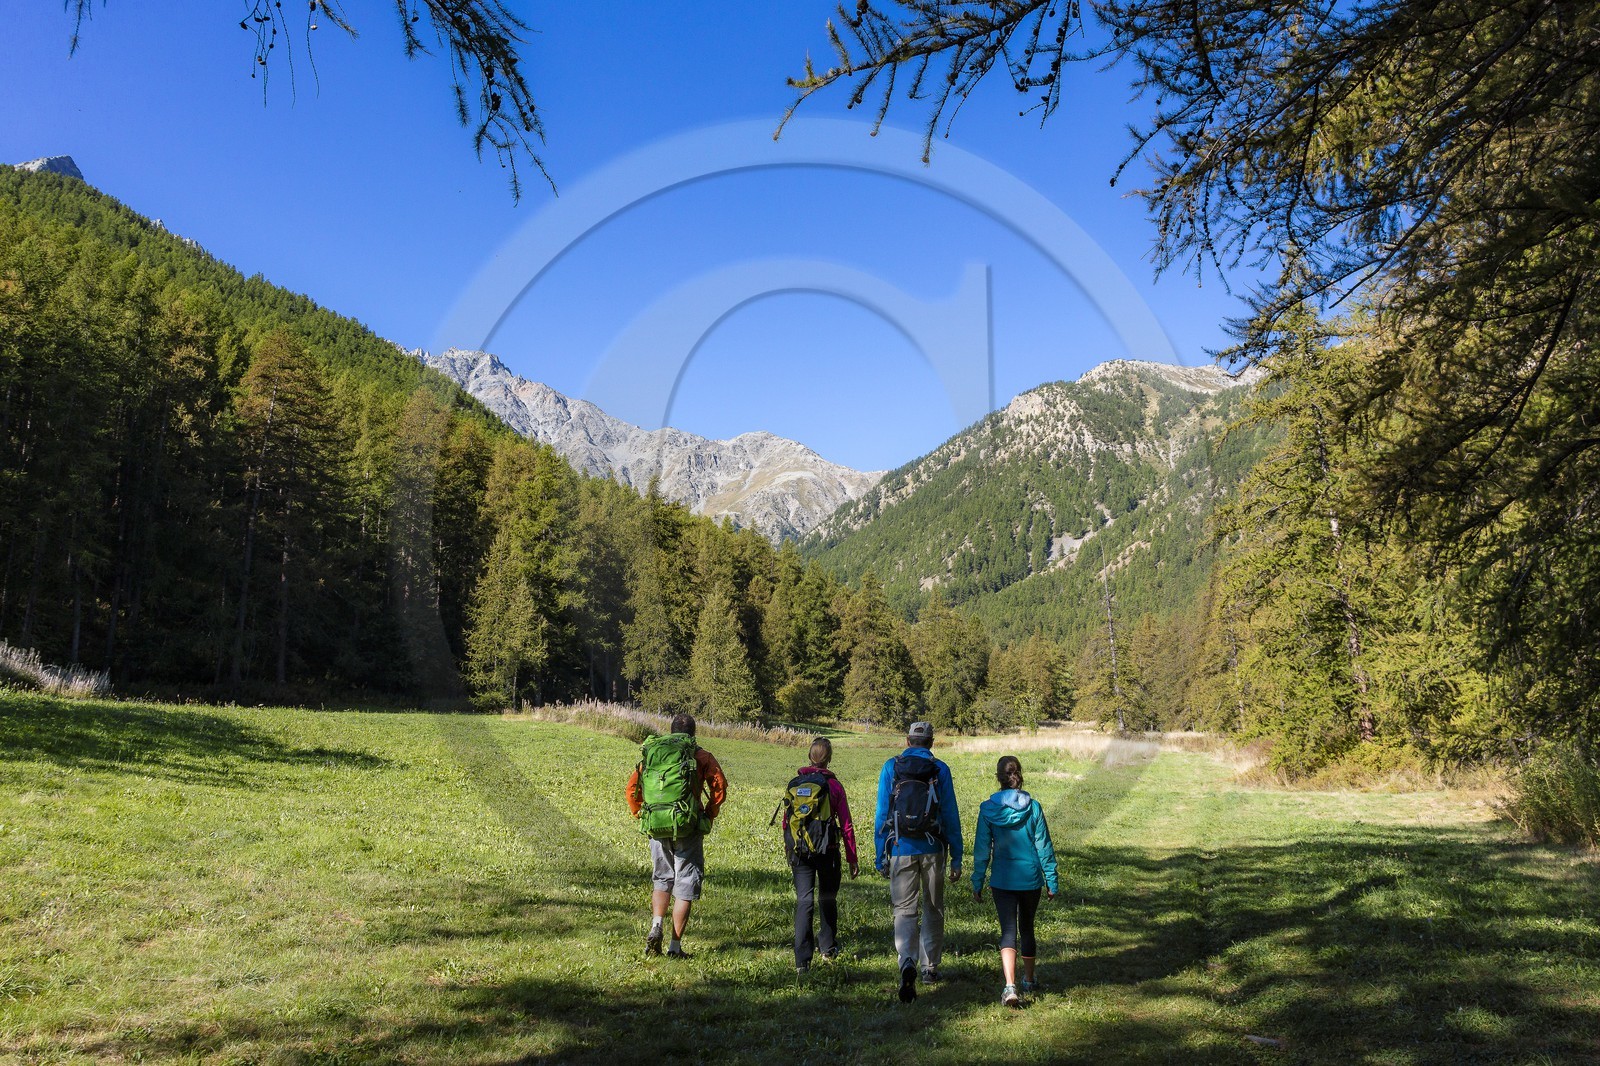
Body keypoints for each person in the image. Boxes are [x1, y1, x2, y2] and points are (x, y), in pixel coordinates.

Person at [874, 720, 962, 1003]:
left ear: (907, 740)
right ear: (932, 743)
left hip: (901, 847)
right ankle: (930, 968)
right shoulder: (940, 769)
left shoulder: (892, 766)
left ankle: (906, 962)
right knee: (933, 908)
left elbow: (882, 813)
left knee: (904, 910)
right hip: (933, 847)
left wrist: (880, 853)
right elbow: (950, 814)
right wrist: (957, 856)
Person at [626, 713, 727, 958]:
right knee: (685, 884)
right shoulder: (700, 755)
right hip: (687, 826)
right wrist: (708, 815)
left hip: (656, 825)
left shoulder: (653, 752)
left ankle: (656, 925)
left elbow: (632, 789)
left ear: (670, 731)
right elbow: (719, 787)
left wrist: (641, 814)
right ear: (693, 733)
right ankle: (675, 947)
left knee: (662, 879)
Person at [971, 755, 1058, 1008]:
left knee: (1008, 931)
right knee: (1027, 928)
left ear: (998, 778)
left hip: (1002, 879)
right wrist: (1051, 880)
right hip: (1030, 879)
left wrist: (977, 881)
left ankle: (1010, 987)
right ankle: (1029, 980)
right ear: (1019, 774)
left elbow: (982, 850)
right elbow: (1044, 847)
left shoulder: (988, 809)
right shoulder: (1034, 807)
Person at [779, 737, 860, 973]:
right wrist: (852, 857)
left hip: (800, 851)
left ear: (809, 757)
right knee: (827, 898)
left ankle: (802, 961)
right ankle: (827, 948)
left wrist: (788, 847)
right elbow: (846, 824)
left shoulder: (795, 784)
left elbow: (787, 822)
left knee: (804, 900)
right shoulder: (834, 786)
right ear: (829, 758)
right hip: (828, 850)